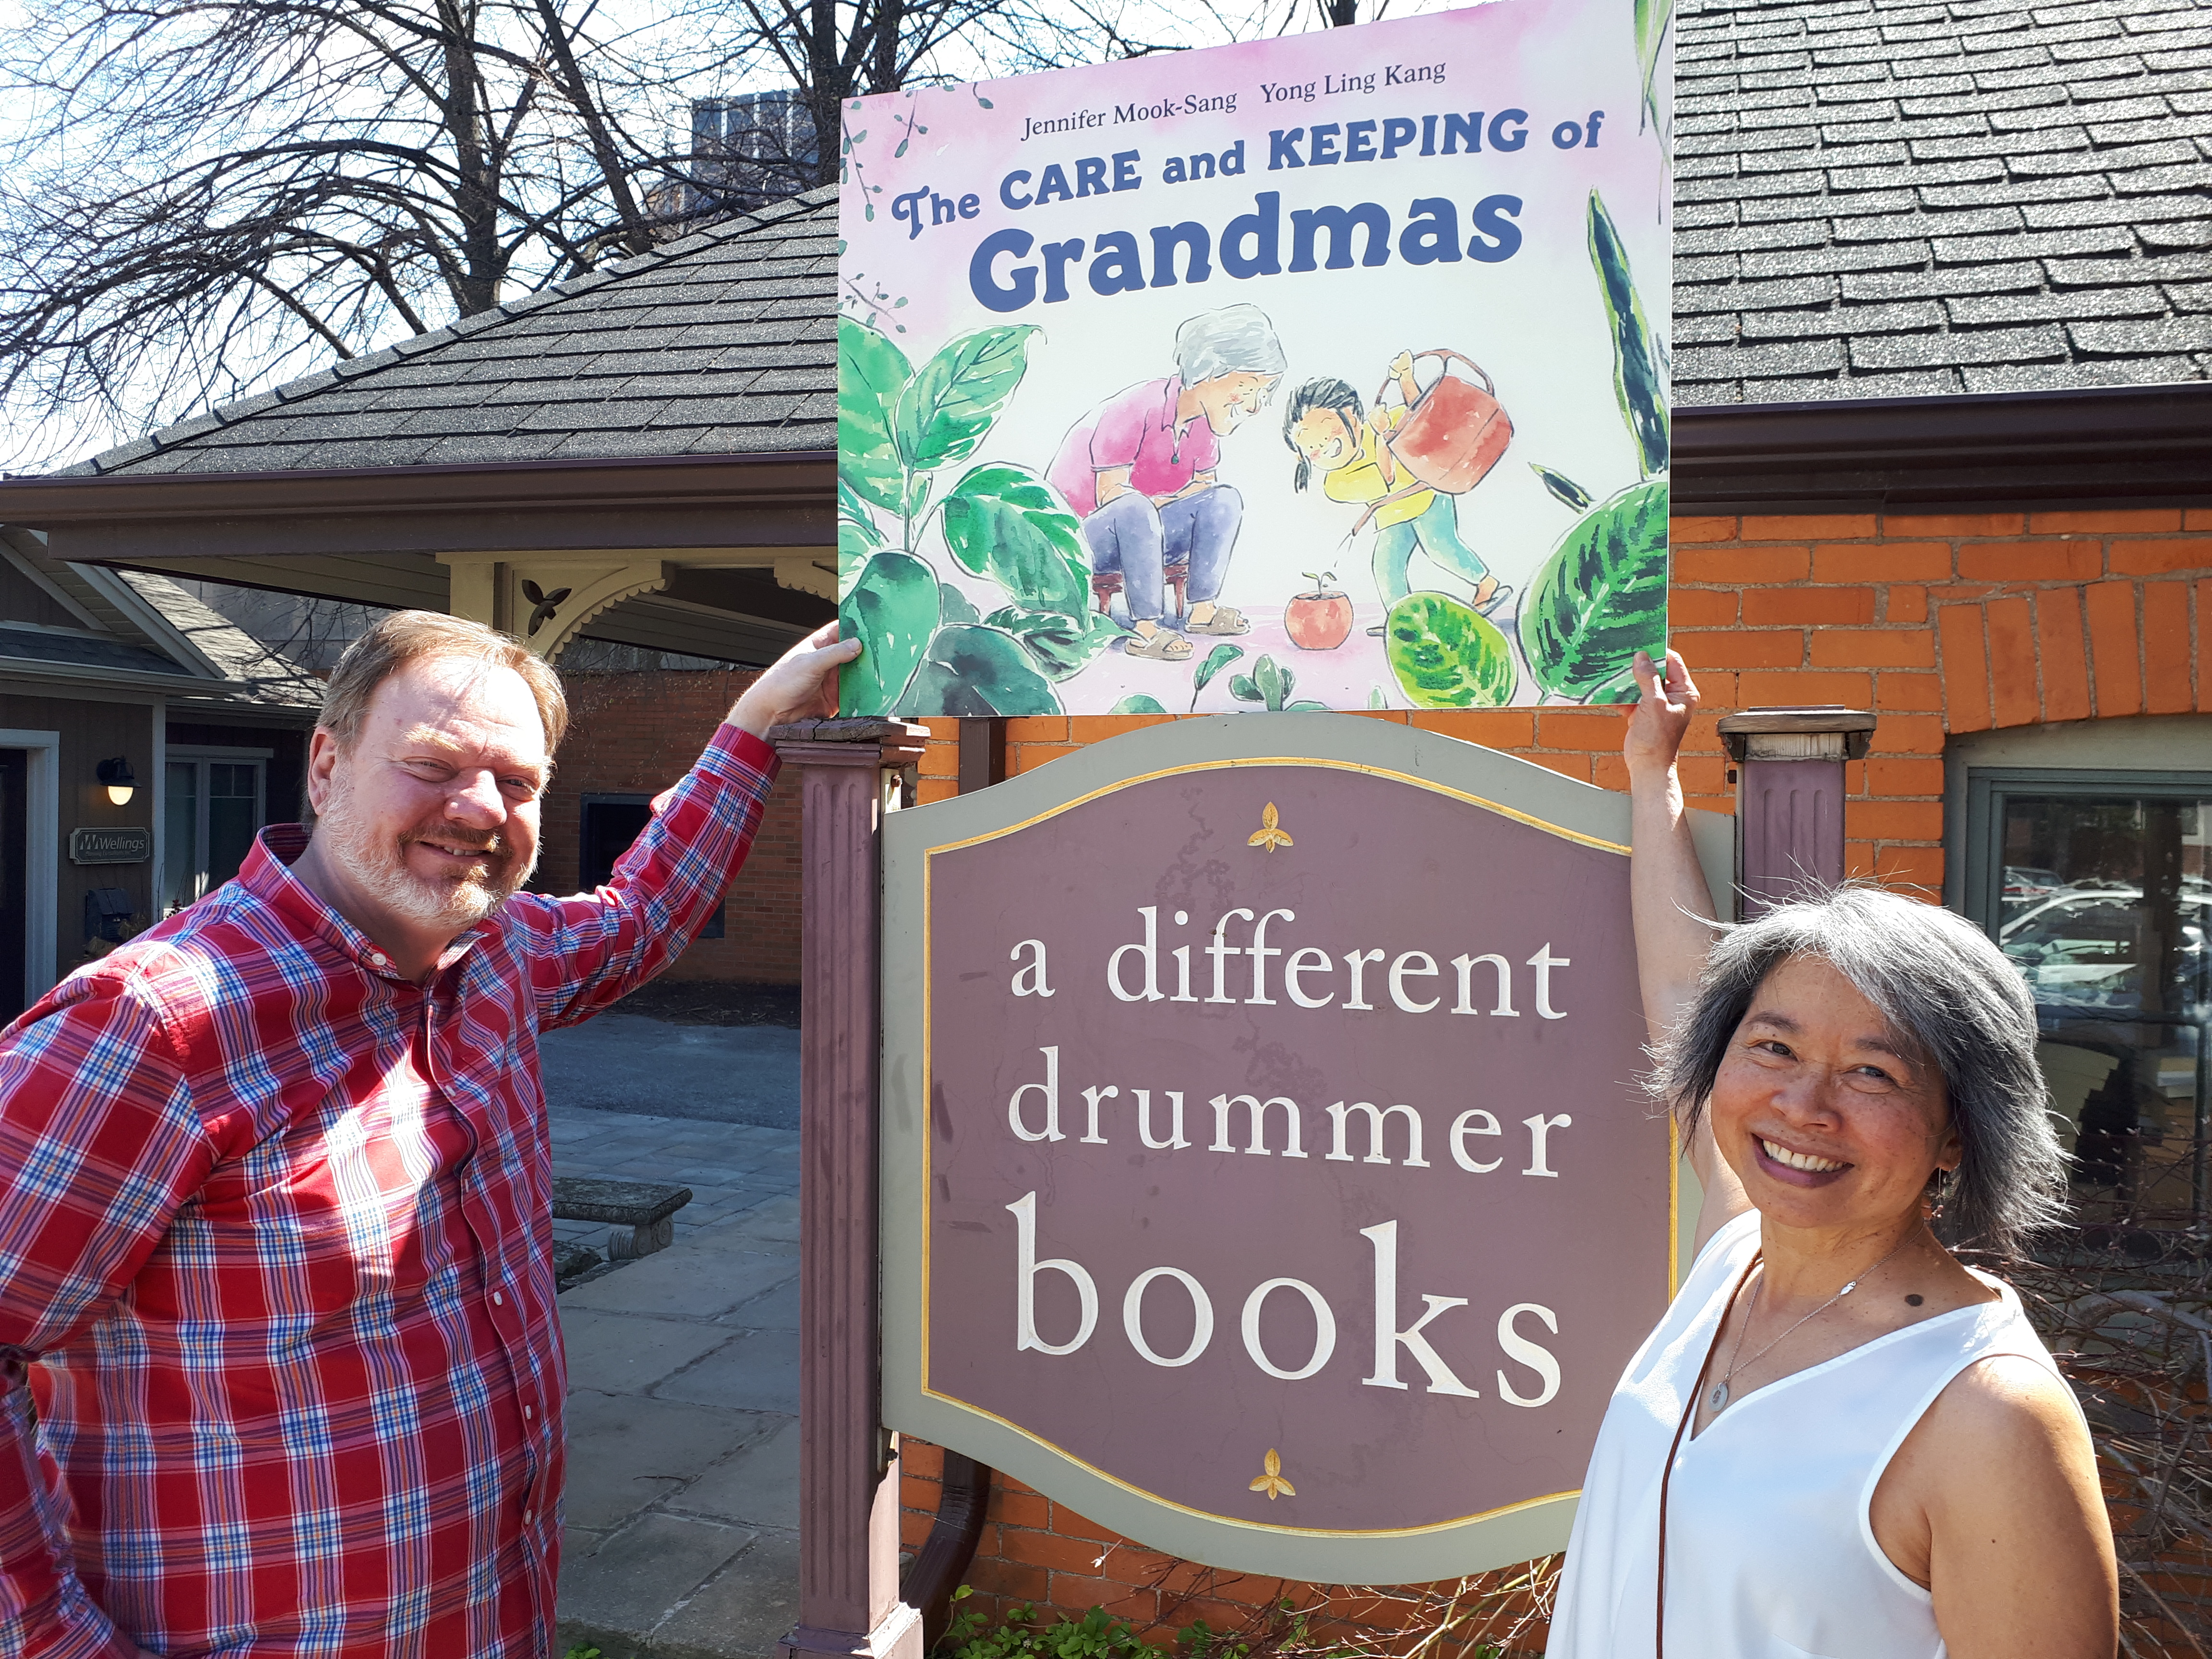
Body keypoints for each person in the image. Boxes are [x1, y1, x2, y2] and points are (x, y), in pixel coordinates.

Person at [0, 611, 856, 1656]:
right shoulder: (154, 1025)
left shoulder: (493, 957)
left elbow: (641, 917)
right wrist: (49, 1638)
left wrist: (757, 722)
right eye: (434, 764)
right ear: (326, 765)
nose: (481, 809)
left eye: (520, 783)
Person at [1549, 647, 2119, 1659]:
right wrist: (1653, 777)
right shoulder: (1735, 1258)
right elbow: (1688, 1007)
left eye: (1874, 1074)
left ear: (1958, 1133)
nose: (1801, 1106)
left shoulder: (1987, 1415)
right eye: (1772, 1048)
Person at [1046, 303, 1286, 663]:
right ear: (1209, 372)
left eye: (1263, 394)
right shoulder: (1136, 407)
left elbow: (1205, 491)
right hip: (1080, 540)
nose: (1255, 406)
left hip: (1148, 531)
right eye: (1246, 388)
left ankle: (1203, 610)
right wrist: (1164, 502)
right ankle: (1144, 630)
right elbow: (1112, 495)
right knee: (1134, 507)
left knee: (1224, 500)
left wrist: (1168, 503)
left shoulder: (1204, 426)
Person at [1282, 355, 1504, 618]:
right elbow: (1385, 479)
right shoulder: (1336, 483)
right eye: (1315, 453)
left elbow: (1423, 415)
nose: (1326, 451)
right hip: (1394, 517)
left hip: (1427, 497)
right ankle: (1403, 620)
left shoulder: (1381, 422)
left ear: (1352, 418)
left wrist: (1406, 379)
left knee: (1440, 547)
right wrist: (1380, 435)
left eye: (1332, 439)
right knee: (1386, 567)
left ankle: (1486, 584)